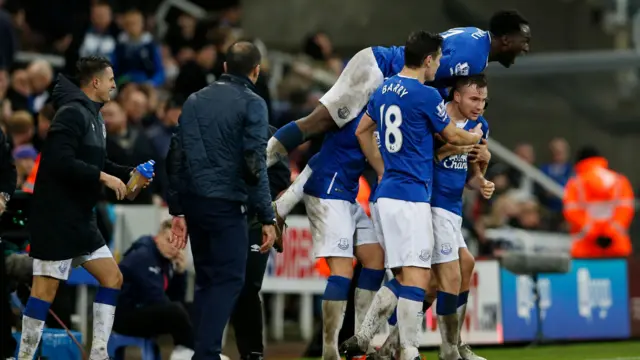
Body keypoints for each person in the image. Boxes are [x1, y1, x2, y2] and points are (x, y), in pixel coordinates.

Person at [339, 31, 484, 360]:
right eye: (438, 59)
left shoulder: (385, 87)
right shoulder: (427, 95)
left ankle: (367, 337)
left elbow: (363, 130)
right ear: (429, 59)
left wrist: (380, 167)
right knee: (418, 276)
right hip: (412, 196)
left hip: (386, 194)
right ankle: (409, 349)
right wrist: (472, 137)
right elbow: (450, 135)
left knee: (406, 275)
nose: (440, 67)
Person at [265, 10, 530, 169]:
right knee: (318, 123)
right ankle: (259, 160)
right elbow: (425, 72)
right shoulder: (472, 58)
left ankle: (278, 194)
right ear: (506, 40)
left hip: (384, 76)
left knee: (341, 144)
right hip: (379, 70)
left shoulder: (476, 40)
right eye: (524, 41)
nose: (526, 48)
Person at [17, 56, 151, 360]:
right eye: (111, 79)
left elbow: (96, 162)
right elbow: (59, 161)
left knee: (112, 278)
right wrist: (104, 177)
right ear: (95, 82)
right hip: (56, 219)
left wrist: (131, 172)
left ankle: (99, 353)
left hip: (80, 219)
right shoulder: (70, 114)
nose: (115, 85)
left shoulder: (96, 117)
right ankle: (23, 356)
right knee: (44, 293)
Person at [368, 75, 494, 360]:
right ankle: (451, 349)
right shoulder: (436, 119)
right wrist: (456, 146)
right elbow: (428, 159)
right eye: (474, 99)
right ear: (456, 96)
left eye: (484, 100)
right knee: (448, 275)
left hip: (453, 209)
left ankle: (390, 347)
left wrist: (481, 181)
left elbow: (470, 174)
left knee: (442, 280)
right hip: (430, 206)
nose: (479, 106)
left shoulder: (481, 126)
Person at [166, 41, 277, 360]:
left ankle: (201, 350)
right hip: (227, 204)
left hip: (195, 203)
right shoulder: (253, 103)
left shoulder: (194, 100)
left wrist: (178, 208)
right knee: (229, 280)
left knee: (207, 280)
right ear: (256, 71)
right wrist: (267, 216)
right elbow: (254, 163)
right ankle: (206, 354)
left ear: (225, 67)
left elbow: (176, 154)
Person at [228, 125, 291, 360]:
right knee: (221, 283)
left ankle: (253, 353)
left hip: (256, 219)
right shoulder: (215, 125)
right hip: (222, 216)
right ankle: (206, 346)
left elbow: (281, 177)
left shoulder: (267, 131)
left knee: (249, 285)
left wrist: (259, 204)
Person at [114, 220, 194, 360]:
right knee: (176, 311)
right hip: (122, 316)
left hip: (145, 309)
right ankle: (188, 352)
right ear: (158, 237)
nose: (173, 248)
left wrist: (180, 274)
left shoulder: (166, 259)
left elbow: (175, 299)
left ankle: (189, 351)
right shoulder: (143, 256)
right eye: (169, 240)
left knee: (195, 308)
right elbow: (157, 299)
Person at [563, 147, 635, 258]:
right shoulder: (620, 181)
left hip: (585, 247)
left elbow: (572, 212)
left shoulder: (576, 183)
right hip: (616, 245)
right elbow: (625, 210)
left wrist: (593, 233)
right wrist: (610, 233)